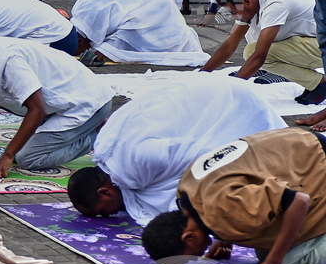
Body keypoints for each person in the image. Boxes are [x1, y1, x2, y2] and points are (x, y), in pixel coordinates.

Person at [68, 74, 286, 226]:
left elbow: (205, 160)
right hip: (209, 91)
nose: (112, 214)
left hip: (232, 101)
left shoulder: (137, 162)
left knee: (266, 153)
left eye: (105, 212)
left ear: (104, 192)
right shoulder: (105, 151)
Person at [141, 127, 326, 264]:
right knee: (265, 249)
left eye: (193, 256)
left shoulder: (225, 209)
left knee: (289, 263)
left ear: (188, 237)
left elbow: (299, 201)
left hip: (315, 162)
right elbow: (234, 182)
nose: (201, 255)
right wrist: (224, 237)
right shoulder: (185, 190)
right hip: (297, 145)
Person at [0, 40, 113, 176]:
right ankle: (87, 128)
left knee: (27, 159)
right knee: (19, 150)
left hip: (88, 104)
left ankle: (94, 135)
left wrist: (8, 155)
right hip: (62, 104)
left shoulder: (7, 62)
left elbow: (37, 110)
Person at [201, 0, 324, 93]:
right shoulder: (250, 1)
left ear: (247, 2)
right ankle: (317, 83)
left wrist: (232, 88)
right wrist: (201, 75)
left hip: (322, 46)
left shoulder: (275, 5)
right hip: (316, 42)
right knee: (250, 51)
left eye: (234, 12)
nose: (234, 17)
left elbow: (260, 56)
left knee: (258, 53)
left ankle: (320, 83)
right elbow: (229, 45)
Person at [70, 0, 210, 66]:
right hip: (143, 1)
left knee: (143, 42)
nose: (82, 52)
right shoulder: (80, 13)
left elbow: (132, 29)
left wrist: (107, 50)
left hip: (156, 5)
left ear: (80, 39)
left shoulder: (90, 13)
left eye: (80, 50)